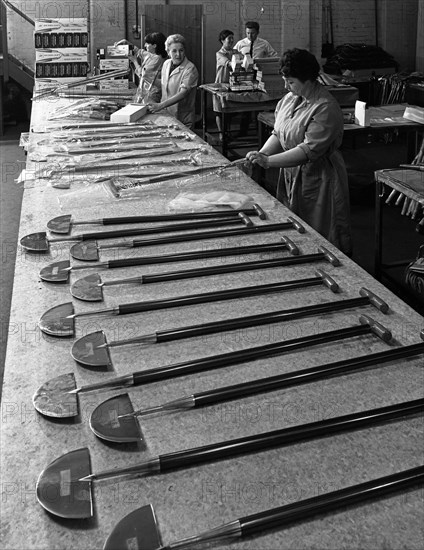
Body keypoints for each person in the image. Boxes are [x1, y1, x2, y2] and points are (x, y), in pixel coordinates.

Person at [246, 48, 352, 255]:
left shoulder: (325, 107)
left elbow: (307, 151)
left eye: (291, 81)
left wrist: (268, 162)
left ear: (309, 80)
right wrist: (262, 154)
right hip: (291, 172)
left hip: (320, 178)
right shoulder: (289, 99)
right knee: (295, 225)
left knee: (322, 230)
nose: (286, 86)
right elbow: (278, 134)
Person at [234, 21, 278, 137]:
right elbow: (233, 57)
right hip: (244, 75)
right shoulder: (240, 44)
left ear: (257, 32)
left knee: (259, 103)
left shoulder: (264, 44)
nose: (250, 36)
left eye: (252, 33)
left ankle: (261, 133)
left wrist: (264, 64)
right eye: (248, 33)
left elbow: (274, 56)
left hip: (259, 76)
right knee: (246, 103)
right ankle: (243, 131)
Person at [146, 34, 199, 129]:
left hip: (182, 118)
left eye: (181, 50)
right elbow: (163, 84)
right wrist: (147, 78)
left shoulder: (190, 69)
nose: (178, 54)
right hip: (166, 114)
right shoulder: (166, 64)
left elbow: (183, 93)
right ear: (168, 52)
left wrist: (160, 105)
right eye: (174, 51)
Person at [214, 29, 237, 141]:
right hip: (220, 84)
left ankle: (227, 132)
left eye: (232, 38)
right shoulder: (220, 54)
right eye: (229, 38)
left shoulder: (235, 52)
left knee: (228, 110)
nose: (232, 40)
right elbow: (229, 64)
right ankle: (221, 134)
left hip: (232, 84)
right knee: (219, 111)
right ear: (222, 40)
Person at [131, 32, 167, 103]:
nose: (145, 45)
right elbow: (138, 51)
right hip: (144, 92)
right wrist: (126, 43)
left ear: (154, 45)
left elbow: (144, 75)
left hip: (151, 94)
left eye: (147, 43)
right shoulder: (150, 55)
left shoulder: (157, 59)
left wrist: (134, 61)